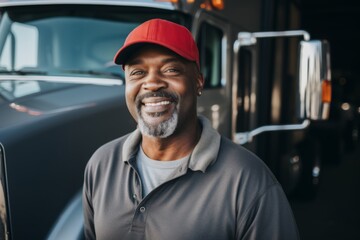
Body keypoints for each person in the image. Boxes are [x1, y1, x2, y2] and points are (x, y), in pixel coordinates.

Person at [82, 18, 300, 240]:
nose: (153, 83)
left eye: (171, 69)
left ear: (198, 82)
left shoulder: (248, 179)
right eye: (138, 72)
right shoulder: (101, 164)